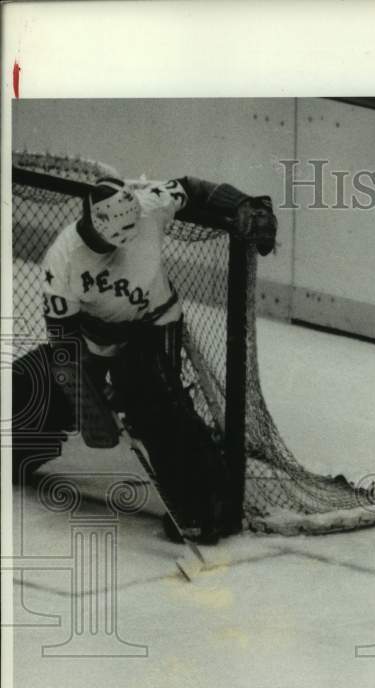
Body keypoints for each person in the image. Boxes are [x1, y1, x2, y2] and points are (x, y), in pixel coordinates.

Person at [11, 173, 277, 543]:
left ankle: (206, 505)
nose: (129, 240)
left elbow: (192, 188)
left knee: (157, 410)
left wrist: (245, 202)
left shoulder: (148, 205)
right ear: (95, 224)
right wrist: (88, 385)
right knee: (24, 383)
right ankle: (18, 454)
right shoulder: (64, 255)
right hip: (92, 338)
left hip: (150, 330)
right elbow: (63, 334)